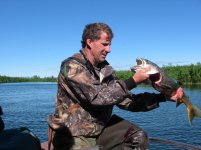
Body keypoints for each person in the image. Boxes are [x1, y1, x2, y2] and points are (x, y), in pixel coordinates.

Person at [48, 22, 183, 150]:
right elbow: (97, 98)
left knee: (138, 137)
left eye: (110, 45)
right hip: (73, 132)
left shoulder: (105, 71)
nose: (109, 49)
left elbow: (128, 102)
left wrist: (163, 97)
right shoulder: (72, 67)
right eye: (105, 44)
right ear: (89, 42)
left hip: (99, 128)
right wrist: (133, 81)